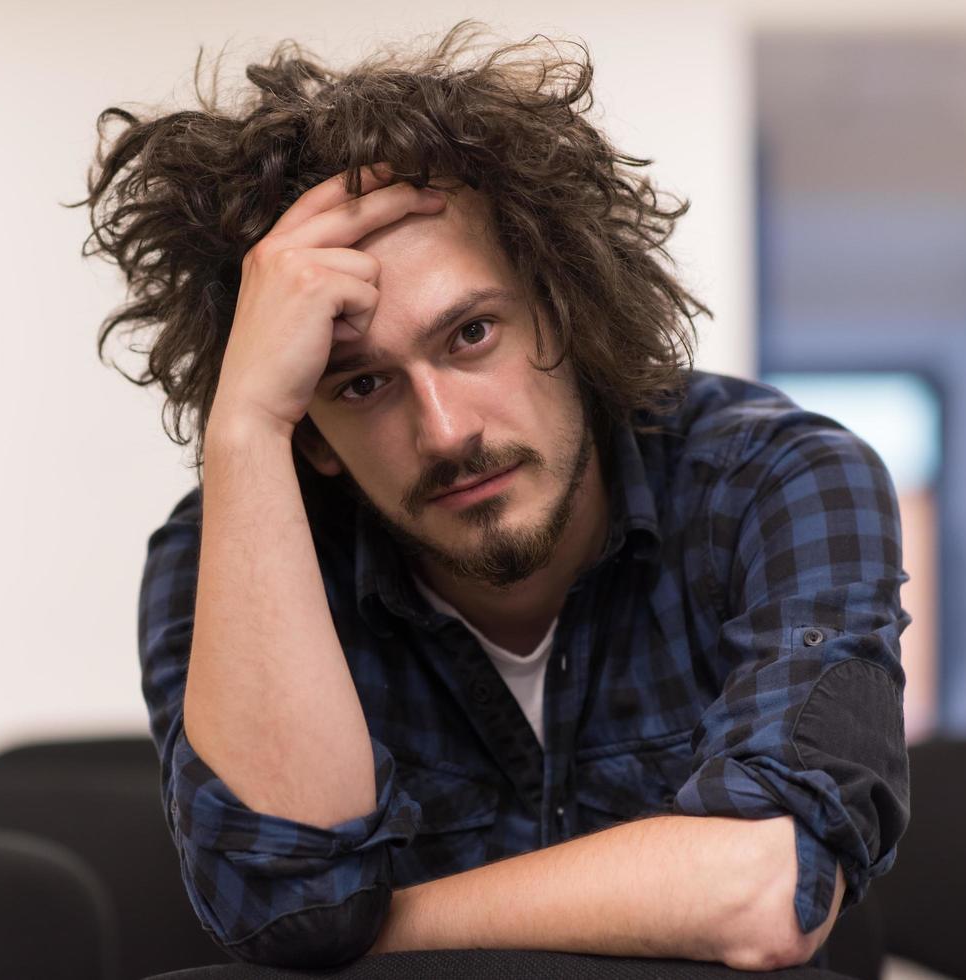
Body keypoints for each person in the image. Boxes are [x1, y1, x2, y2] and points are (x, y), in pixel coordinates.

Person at [77, 22, 910, 971]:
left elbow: (769, 889)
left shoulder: (777, 481)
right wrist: (242, 428)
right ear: (311, 434)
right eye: (358, 385)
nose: (443, 430)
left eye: (470, 333)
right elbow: (288, 902)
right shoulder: (225, 546)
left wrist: (371, 929)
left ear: (564, 303)